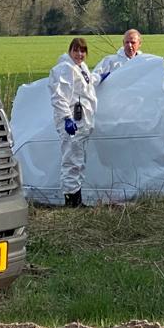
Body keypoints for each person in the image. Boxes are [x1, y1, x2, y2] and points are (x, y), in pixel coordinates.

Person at [49, 37, 98, 207]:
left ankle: (77, 199)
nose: (79, 54)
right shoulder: (65, 68)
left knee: (78, 160)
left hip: (82, 123)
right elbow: (59, 96)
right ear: (70, 51)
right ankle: (71, 201)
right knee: (71, 160)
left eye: (82, 51)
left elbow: (87, 85)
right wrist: (67, 118)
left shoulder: (81, 68)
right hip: (71, 124)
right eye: (76, 50)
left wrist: (100, 77)